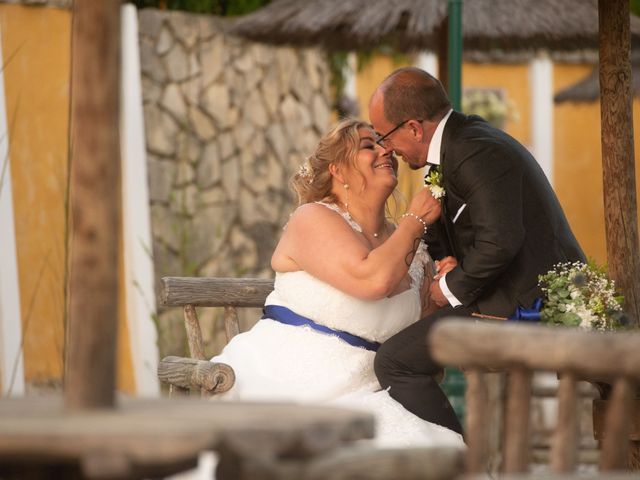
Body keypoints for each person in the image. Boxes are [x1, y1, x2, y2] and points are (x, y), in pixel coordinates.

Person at [210, 118, 465, 448]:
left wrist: (440, 289)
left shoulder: (411, 249)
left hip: (371, 391)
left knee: (436, 449)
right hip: (289, 379)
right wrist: (414, 221)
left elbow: (414, 330)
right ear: (337, 171)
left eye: (384, 143)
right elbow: (372, 281)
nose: (385, 149)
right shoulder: (312, 219)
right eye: (368, 145)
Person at [368, 67, 586, 435]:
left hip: (524, 307)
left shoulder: (474, 150)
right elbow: (452, 228)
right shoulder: (459, 144)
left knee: (394, 362)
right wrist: (446, 261)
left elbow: (500, 240)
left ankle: (457, 458)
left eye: (384, 136)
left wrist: (447, 288)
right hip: (500, 296)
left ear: (414, 128)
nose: (386, 148)